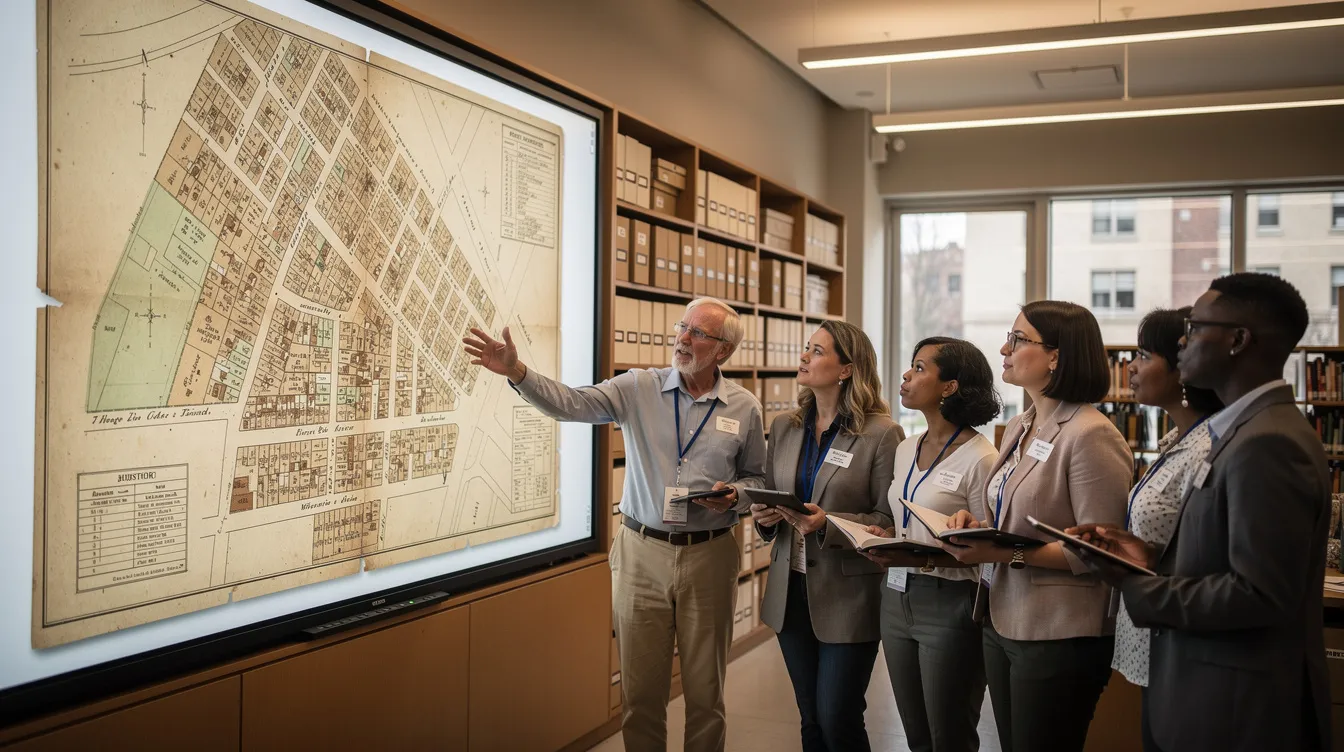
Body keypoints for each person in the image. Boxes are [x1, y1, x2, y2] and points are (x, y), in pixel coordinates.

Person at [463, 297, 767, 752]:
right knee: (641, 696)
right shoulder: (638, 388)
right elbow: (573, 404)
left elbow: (756, 478)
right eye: (682, 326)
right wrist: (517, 372)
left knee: (706, 694)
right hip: (642, 553)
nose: (682, 338)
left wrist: (736, 497)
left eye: (697, 333)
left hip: (710, 552)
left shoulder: (744, 407)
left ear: (722, 351)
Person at [1069, 273, 1332, 752]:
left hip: (1233, 704)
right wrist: (1145, 556)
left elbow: (1261, 593)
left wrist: (1137, 585)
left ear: (1237, 340)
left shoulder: (1268, 441)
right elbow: (1222, 556)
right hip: (1204, 689)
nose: (1184, 341)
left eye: (1195, 326)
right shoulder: (1241, 429)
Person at [943, 300, 1133, 752]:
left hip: (1059, 634)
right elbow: (1013, 516)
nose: (1004, 348)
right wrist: (977, 526)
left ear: (1057, 356)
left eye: (1019, 339)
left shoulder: (1090, 434)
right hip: (1002, 617)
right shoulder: (1020, 426)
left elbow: (1098, 552)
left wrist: (1003, 552)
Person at [749, 321, 904, 752]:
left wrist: (828, 524)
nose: (803, 357)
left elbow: (887, 519)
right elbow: (771, 495)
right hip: (789, 588)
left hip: (847, 595)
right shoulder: (784, 426)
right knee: (811, 720)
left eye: (816, 351)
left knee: (838, 718)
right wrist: (763, 515)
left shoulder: (881, 432)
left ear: (846, 369)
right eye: (806, 348)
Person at [862, 337, 1002, 752]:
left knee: (950, 736)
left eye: (920, 368)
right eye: (910, 365)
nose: (906, 375)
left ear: (950, 387)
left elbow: (988, 549)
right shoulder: (906, 448)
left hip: (951, 601)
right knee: (917, 735)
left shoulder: (981, 458)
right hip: (896, 595)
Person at [1109, 308, 1222, 701]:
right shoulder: (1177, 439)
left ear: (1183, 366)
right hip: (1146, 637)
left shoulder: (1210, 448)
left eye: (1144, 356)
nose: (1131, 369)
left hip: (1178, 642)